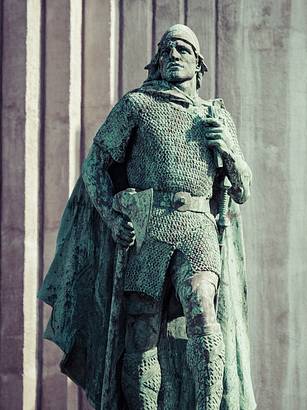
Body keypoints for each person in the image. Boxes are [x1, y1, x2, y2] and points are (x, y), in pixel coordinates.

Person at [39, 24, 256, 410]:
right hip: (151, 227)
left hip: (197, 225)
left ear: (198, 64)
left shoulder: (215, 116)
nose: (174, 55)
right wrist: (110, 216)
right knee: (142, 328)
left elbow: (242, 189)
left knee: (203, 308)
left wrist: (229, 151)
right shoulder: (137, 105)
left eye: (183, 49)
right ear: (156, 61)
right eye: (167, 50)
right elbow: (96, 166)